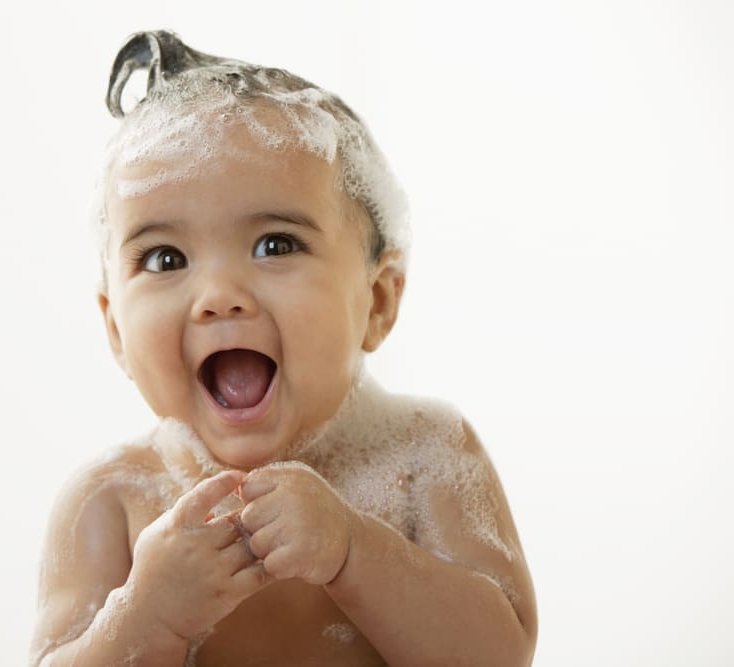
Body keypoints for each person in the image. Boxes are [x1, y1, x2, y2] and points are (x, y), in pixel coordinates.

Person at [29, 30, 537, 666]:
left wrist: (354, 549)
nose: (219, 295)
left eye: (276, 244)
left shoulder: (425, 456)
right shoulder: (113, 499)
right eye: (166, 257)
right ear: (115, 332)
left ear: (376, 302)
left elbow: (498, 655)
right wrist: (145, 616)